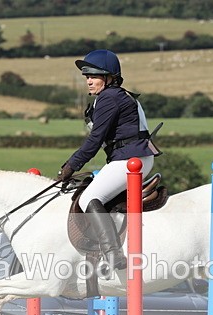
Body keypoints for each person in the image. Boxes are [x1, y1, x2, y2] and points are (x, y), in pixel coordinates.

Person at [57, 49, 159, 271]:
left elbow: (95, 140)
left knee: (89, 198)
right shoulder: (116, 96)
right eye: (87, 76)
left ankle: (113, 254)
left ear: (110, 77)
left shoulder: (110, 98)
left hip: (130, 160)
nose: (89, 81)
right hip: (130, 157)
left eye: (93, 76)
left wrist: (70, 166)